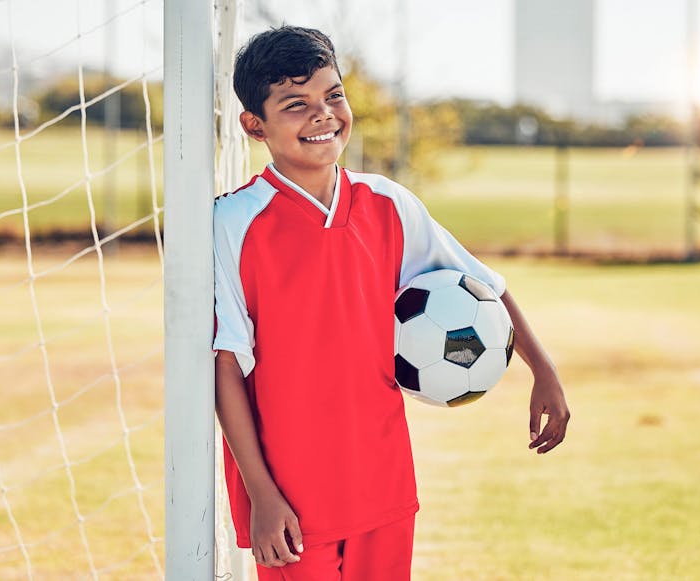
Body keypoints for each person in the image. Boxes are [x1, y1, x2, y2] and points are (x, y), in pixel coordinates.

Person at [213, 25, 570, 581]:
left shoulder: (387, 204)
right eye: (295, 104)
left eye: (333, 95)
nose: (322, 114)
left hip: (381, 479)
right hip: (290, 500)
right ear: (253, 124)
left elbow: (483, 286)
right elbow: (227, 364)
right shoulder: (233, 224)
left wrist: (543, 371)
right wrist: (261, 494)